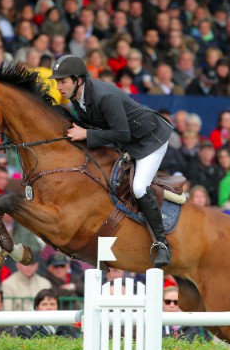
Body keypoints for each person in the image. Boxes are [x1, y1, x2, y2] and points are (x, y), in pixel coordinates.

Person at [49, 55, 173, 267]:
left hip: (150, 139)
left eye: (63, 81)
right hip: (128, 142)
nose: (58, 87)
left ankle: (161, 244)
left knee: (139, 187)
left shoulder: (104, 96)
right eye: (57, 82)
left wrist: (87, 135)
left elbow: (122, 133)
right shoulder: (77, 97)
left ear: (78, 80)